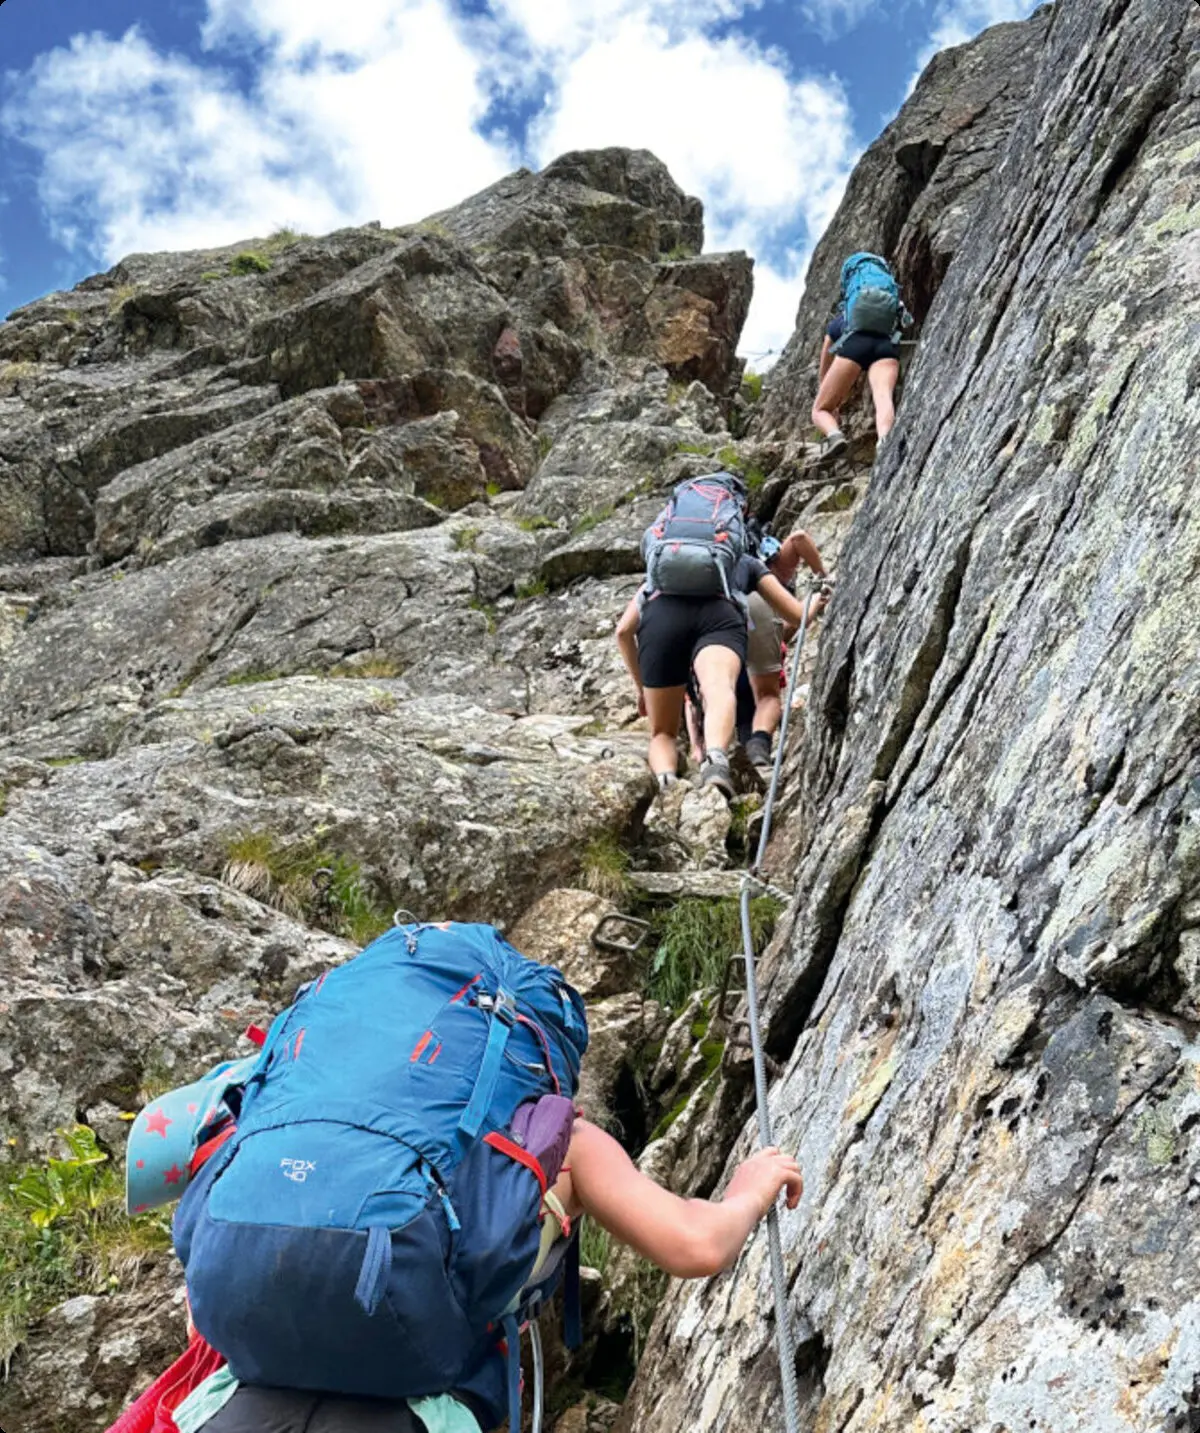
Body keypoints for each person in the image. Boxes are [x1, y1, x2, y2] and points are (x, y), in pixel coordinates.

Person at [198, 1127, 803, 1432]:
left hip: (237, 1410)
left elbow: (204, 1301)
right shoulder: (554, 1137)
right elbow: (695, 1244)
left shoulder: (293, 1136)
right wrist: (747, 1192)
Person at [615, 542, 819, 801]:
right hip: (721, 618)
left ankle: (668, 791)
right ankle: (717, 761)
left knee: (662, 732)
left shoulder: (663, 569)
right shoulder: (743, 561)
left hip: (660, 619)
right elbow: (796, 615)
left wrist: (642, 688)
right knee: (719, 689)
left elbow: (623, 631)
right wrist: (818, 595)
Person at [743, 531, 829, 779]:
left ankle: (723, 758)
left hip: (721, 620)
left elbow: (778, 634)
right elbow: (800, 538)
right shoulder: (768, 571)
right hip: (755, 622)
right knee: (767, 696)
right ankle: (757, 750)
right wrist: (821, 584)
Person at [811, 252, 911, 460]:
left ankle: (834, 435)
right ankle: (885, 442)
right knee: (883, 397)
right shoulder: (890, 299)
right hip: (885, 345)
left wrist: (824, 384)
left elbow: (827, 347)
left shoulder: (844, 318)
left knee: (820, 410)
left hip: (854, 346)